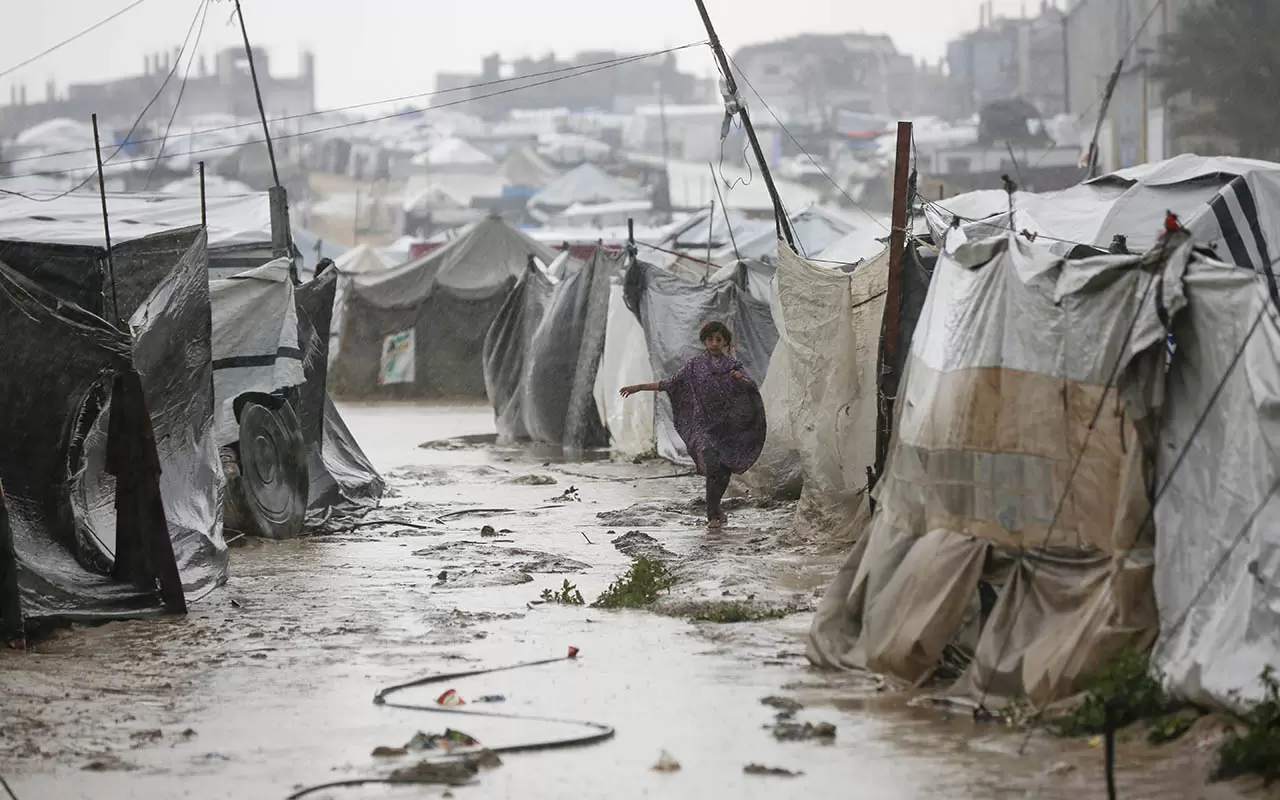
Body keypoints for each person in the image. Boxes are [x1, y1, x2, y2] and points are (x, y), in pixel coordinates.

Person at [620, 321, 766, 529]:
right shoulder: (694, 366)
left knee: (724, 472)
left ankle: (716, 508)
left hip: (727, 427)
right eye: (710, 339)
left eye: (718, 339)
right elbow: (670, 383)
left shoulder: (732, 366)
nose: (714, 343)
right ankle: (712, 515)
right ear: (704, 341)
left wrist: (741, 379)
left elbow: (751, 386)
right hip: (703, 427)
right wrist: (641, 387)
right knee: (714, 467)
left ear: (725, 342)